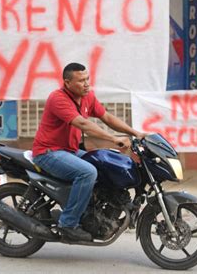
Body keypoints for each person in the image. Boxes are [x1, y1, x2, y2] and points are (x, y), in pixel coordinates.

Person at [32, 62, 145, 242]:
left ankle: (92, 211)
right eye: (81, 81)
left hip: (69, 151)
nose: (86, 84)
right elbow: (83, 124)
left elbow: (106, 117)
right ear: (67, 83)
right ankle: (68, 224)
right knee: (87, 172)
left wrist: (135, 133)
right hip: (48, 153)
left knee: (105, 165)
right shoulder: (58, 99)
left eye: (87, 79)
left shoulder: (87, 97)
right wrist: (113, 139)